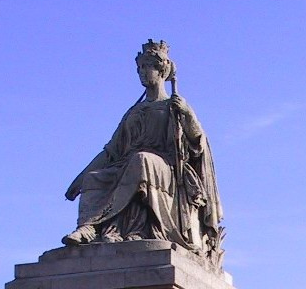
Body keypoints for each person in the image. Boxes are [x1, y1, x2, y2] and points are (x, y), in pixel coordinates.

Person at [62, 39, 223, 264]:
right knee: (96, 178)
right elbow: (110, 152)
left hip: (167, 172)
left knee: (141, 161)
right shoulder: (134, 111)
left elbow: (199, 144)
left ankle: (122, 227)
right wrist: (80, 178)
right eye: (139, 68)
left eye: (147, 67)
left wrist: (187, 115)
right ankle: (89, 228)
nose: (142, 73)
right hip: (129, 167)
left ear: (161, 70)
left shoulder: (174, 107)